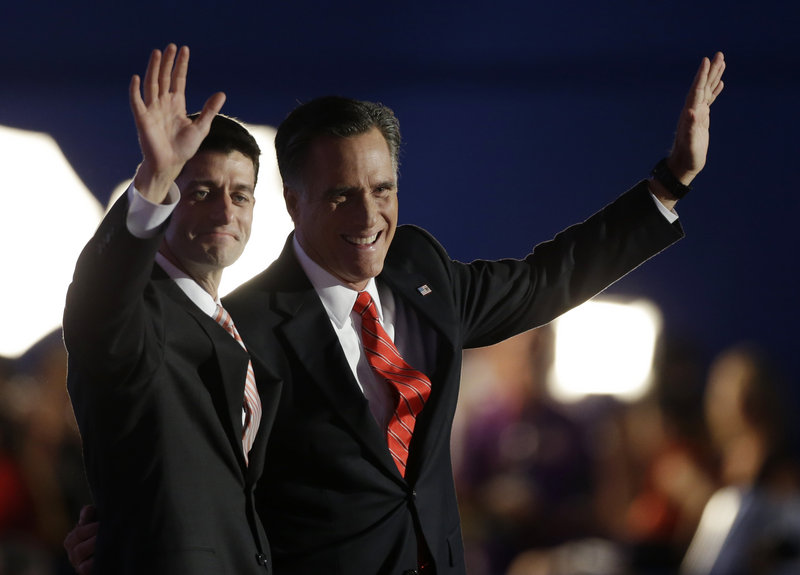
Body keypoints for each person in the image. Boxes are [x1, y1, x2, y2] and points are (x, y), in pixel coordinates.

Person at [66, 52, 726, 575]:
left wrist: (669, 183)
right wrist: (124, 533)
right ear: (295, 204)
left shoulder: (422, 277)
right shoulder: (243, 328)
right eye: (341, 196)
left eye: (382, 190)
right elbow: (180, 462)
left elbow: (547, 277)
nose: (369, 216)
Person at [62, 44, 280, 574]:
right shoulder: (138, 317)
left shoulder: (237, 328)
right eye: (201, 191)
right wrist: (155, 180)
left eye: (241, 195)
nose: (225, 210)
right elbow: (99, 305)